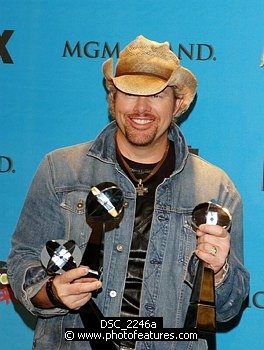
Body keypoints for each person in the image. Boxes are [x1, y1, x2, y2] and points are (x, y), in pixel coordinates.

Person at [7, 35, 249, 350]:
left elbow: (229, 308)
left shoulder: (216, 188)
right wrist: (53, 292)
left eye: (157, 95)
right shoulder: (60, 169)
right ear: (112, 99)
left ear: (178, 103)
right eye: (129, 93)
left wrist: (218, 272)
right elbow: (23, 260)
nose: (141, 108)